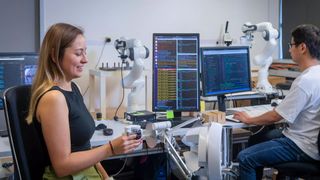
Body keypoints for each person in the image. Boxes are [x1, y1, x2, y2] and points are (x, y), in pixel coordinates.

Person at [26, 23, 142, 179]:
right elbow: (62, 166)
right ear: (54, 55)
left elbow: (85, 148)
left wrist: (106, 177)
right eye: (78, 53)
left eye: (85, 52)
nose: (85, 59)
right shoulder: (54, 99)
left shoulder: (74, 88)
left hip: (87, 172)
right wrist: (110, 149)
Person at [233, 24, 320, 180]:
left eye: (291, 45)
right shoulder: (316, 74)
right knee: (256, 139)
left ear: (302, 48)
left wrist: (249, 119)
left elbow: (275, 117)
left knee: (245, 158)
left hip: (301, 145)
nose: (289, 49)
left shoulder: (305, 81)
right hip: (310, 140)